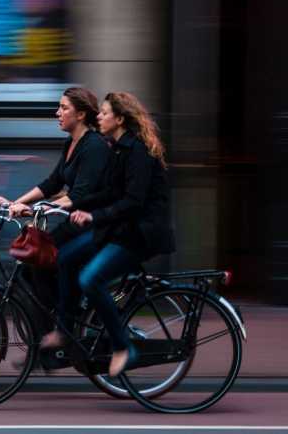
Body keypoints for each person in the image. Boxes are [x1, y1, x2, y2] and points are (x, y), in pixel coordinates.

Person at [41, 91, 175, 378]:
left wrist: (93, 216)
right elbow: (108, 192)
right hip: (118, 229)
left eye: (103, 113)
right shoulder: (117, 148)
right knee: (65, 257)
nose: (98, 117)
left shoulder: (138, 151)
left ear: (120, 118)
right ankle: (65, 330)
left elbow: (132, 202)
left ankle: (123, 347)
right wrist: (76, 205)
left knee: (91, 279)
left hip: (140, 235)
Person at [0, 87, 111, 328]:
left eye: (64, 108)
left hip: (94, 225)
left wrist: (39, 209)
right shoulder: (71, 143)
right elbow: (53, 182)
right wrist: (17, 202)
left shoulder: (95, 146)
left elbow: (79, 195)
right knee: (32, 266)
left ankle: (68, 323)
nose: (57, 112)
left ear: (80, 115)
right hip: (75, 224)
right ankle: (54, 330)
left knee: (52, 261)